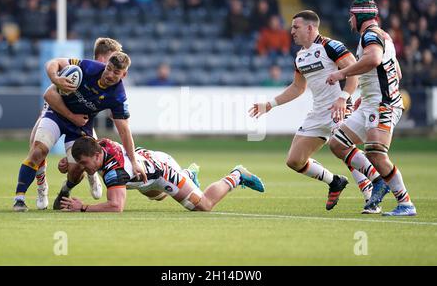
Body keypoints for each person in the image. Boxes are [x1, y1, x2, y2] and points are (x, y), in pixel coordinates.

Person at [250, 10, 383, 212]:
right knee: (294, 160)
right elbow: (298, 88)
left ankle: (373, 189)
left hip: (339, 107)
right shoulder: (300, 57)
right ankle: (334, 182)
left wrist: (343, 98)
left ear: (310, 27)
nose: (291, 31)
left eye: (296, 27)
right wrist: (270, 104)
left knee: (342, 147)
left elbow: (353, 73)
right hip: (319, 112)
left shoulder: (331, 46)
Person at [13, 51, 147, 212]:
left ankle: (66, 188)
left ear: (124, 74)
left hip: (80, 126)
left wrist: (133, 162)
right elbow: (53, 63)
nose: (110, 74)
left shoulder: (118, 96)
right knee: (37, 151)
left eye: (116, 72)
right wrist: (56, 79)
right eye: (109, 68)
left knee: (76, 170)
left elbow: (124, 131)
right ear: (106, 65)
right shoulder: (88, 67)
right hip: (56, 115)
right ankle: (19, 199)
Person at [326, 0, 416, 216]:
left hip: (382, 105)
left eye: (352, 16)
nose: (350, 20)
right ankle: (378, 180)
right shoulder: (383, 36)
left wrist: (342, 72)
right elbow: (396, 71)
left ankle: (405, 203)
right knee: (337, 143)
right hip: (371, 103)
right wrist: (366, 94)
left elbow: (374, 59)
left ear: (360, 16)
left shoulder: (370, 35)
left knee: (376, 153)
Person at [28, 38, 123, 211]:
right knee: (36, 148)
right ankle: (41, 185)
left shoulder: (110, 81)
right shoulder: (79, 70)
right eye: (109, 61)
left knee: (82, 159)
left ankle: (91, 173)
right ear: (100, 57)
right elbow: (49, 92)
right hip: (55, 111)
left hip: (82, 122)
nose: (110, 69)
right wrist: (56, 79)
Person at [59, 136, 265, 212]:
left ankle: (237, 175)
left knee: (203, 205)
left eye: (85, 163)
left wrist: (83, 207)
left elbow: (116, 206)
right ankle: (188, 175)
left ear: (96, 155)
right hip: (146, 171)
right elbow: (85, 144)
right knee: (156, 196)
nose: (84, 168)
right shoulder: (100, 145)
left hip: (163, 171)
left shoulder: (116, 171)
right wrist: (68, 163)